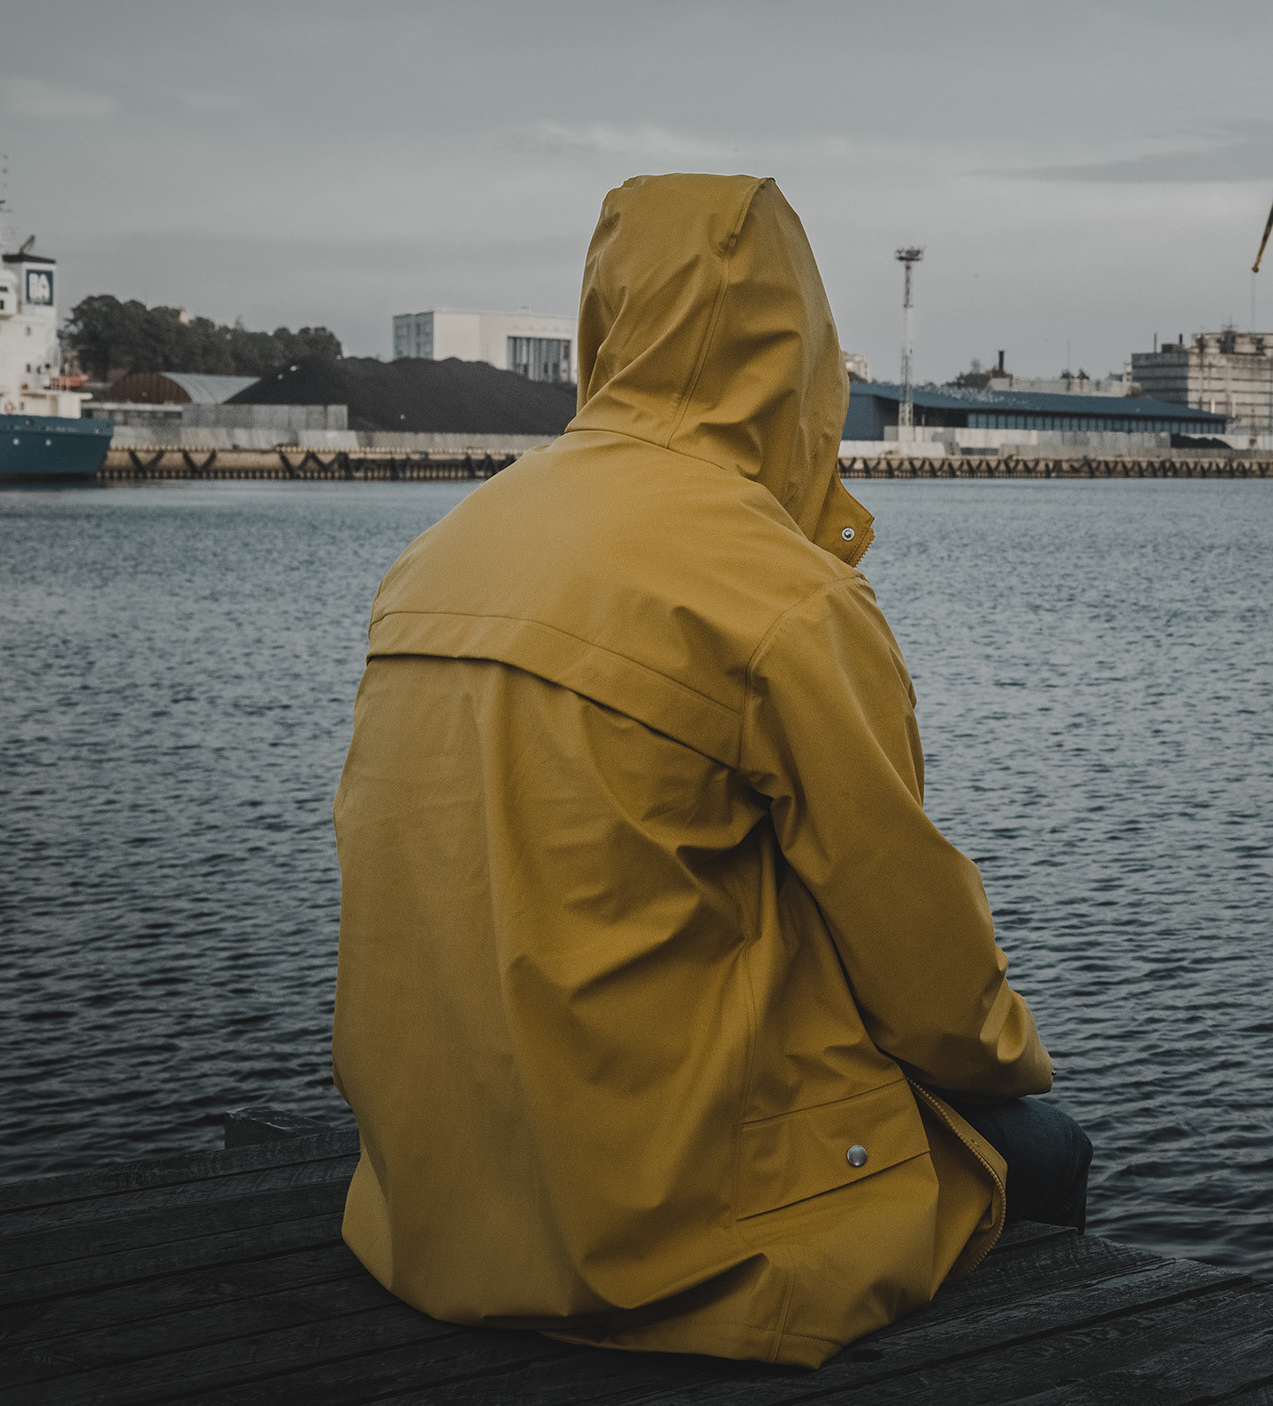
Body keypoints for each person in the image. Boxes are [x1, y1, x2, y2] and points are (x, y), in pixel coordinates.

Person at [330, 173, 1086, 1368]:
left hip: (424, 1205)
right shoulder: (779, 596)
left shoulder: (436, 556)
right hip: (665, 1235)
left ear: (601, 322)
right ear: (802, 352)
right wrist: (1006, 1063)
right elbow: (921, 962)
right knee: (1045, 1146)